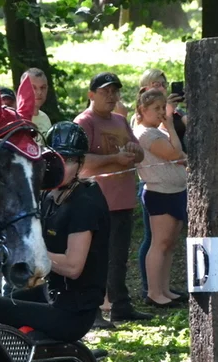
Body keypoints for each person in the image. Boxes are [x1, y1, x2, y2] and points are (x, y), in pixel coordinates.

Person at [0, 122, 107, 342]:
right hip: (50, 296)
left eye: (68, 160)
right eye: (55, 158)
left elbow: (73, 267)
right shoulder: (48, 196)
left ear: (80, 164)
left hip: (72, 313)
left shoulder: (85, 203)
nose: (61, 166)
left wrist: (32, 250)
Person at [75, 72, 151, 325]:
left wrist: (134, 151)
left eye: (114, 92)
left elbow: (137, 154)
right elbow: (80, 161)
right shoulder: (84, 122)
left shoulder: (120, 120)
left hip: (123, 200)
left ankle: (120, 305)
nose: (111, 96)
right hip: (96, 201)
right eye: (105, 91)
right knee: (95, 258)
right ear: (91, 95)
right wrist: (114, 159)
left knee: (118, 257)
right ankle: (92, 310)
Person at [133, 67, 187, 297]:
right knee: (159, 243)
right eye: (156, 109)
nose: (160, 113)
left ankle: (165, 289)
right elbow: (175, 154)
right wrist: (171, 126)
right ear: (142, 110)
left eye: (162, 109)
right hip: (160, 194)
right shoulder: (146, 133)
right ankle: (154, 292)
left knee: (170, 245)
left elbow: (178, 154)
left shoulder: (158, 131)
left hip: (175, 191)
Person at [21, 68, 53, 136]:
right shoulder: (16, 119)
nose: (39, 92)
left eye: (42, 87)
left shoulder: (45, 118)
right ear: (22, 89)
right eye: (33, 88)